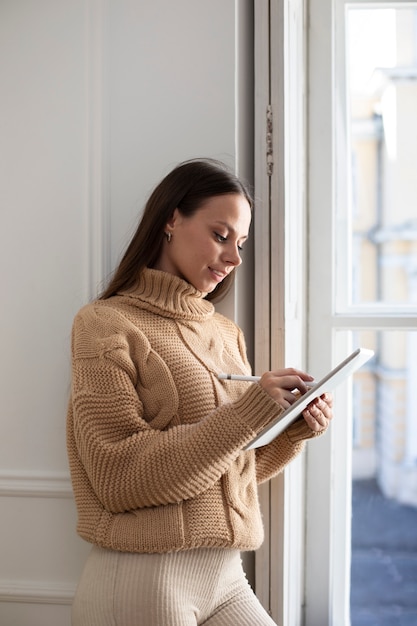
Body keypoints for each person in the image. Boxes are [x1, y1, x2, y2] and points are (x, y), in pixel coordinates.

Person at [67, 158, 333, 626]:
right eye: (221, 234)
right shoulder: (104, 324)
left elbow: (227, 471)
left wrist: (291, 431)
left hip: (226, 577)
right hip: (143, 580)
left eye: (242, 243)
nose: (235, 258)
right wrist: (248, 415)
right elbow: (117, 478)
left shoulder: (226, 333)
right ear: (172, 219)